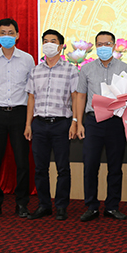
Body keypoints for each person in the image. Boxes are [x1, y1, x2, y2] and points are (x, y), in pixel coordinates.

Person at [0, 18, 35, 220]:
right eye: (3, 33)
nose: (7, 36)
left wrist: (28, 121)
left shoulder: (27, 59)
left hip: (20, 114)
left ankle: (22, 204)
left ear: (18, 35)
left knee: (22, 161)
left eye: (11, 33)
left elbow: (32, 91)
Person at [24, 29, 79, 221]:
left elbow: (75, 97)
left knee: (63, 168)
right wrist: (28, 124)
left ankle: (61, 206)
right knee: (40, 168)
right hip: (39, 124)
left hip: (61, 124)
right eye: (45, 41)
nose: (48, 44)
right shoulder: (35, 70)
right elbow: (31, 98)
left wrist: (75, 122)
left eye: (53, 41)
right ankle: (44, 205)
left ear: (61, 46)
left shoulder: (71, 70)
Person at [76, 31, 127, 222]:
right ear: (95, 46)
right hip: (93, 121)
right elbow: (81, 96)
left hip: (116, 122)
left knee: (115, 166)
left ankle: (112, 206)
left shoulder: (125, 68)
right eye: (100, 44)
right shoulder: (86, 69)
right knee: (90, 165)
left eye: (107, 44)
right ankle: (91, 206)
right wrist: (79, 122)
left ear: (114, 46)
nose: (103, 48)